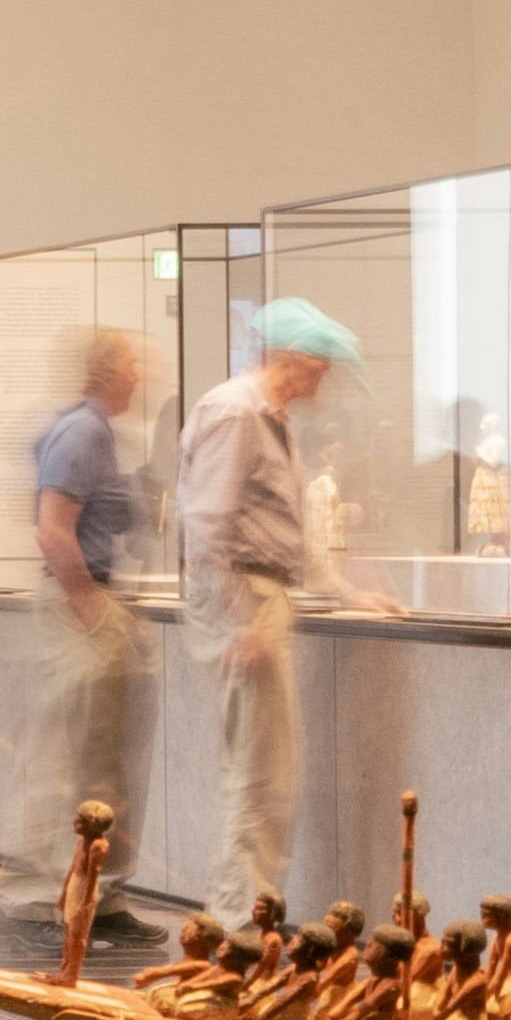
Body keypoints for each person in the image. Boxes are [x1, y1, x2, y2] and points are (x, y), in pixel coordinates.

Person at [180, 297, 383, 917]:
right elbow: (208, 522)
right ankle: (240, 917)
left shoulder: (271, 419)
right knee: (258, 772)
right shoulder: (236, 413)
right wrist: (240, 617)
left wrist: (348, 592)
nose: (325, 383)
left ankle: (248, 908)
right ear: (294, 361)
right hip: (243, 597)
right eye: (322, 368)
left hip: (259, 595)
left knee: (271, 772)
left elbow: (288, 531)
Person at [6, 329, 153, 942]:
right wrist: (89, 604)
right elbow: (52, 528)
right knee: (63, 757)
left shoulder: (98, 434)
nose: (139, 376)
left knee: (105, 764)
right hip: (79, 602)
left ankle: (102, 895)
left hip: (95, 600)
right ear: (103, 373)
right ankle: (34, 902)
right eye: (131, 366)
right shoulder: (83, 432)